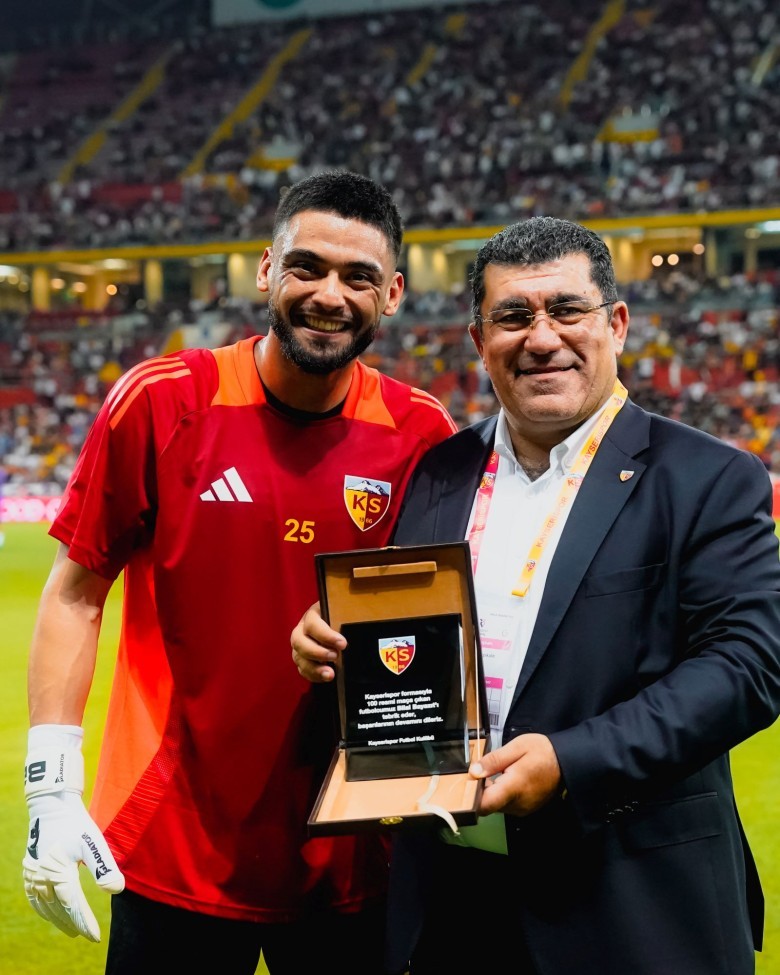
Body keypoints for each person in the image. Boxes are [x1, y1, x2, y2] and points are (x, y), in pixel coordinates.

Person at [291, 215, 780, 975]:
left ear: (616, 323)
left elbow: (748, 666)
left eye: (567, 310)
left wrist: (571, 760)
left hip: (631, 904)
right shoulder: (439, 472)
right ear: (479, 339)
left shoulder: (706, 476)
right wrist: (336, 645)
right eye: (513, 316)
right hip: (454, 903)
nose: (542, 337)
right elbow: (412, 646)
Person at [22, 170, 458, 975]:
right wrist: (48, 783)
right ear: (266, 270)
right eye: (307, 267)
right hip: (174, 842)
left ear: (393, 293)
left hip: (355, 846)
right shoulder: (162, 401)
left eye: (359, 277)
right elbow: (76, 593)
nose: (329, 295)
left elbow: (439, 627)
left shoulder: (421, 432)